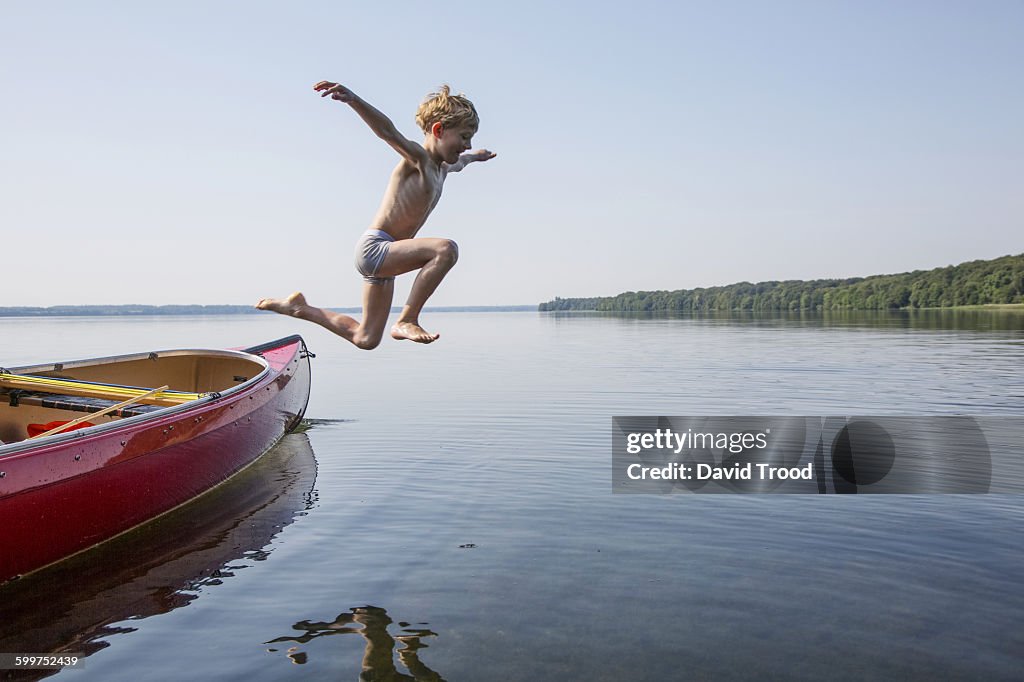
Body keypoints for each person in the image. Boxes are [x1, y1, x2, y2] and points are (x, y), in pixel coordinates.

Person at [257, 81, 496, 348]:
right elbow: (387, 132)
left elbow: (462, 162)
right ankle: (408, 319)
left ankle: (299, 308)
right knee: (445, 250)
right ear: (438, 130)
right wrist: (353, 99)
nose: (467, 144)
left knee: (366, 338)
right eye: (463, 138)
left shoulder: (443, 168)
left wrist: (478, 156)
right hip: (376, 249)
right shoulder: (419, 159)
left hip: (387, 260)